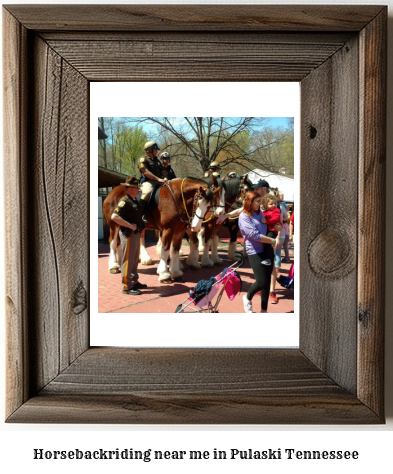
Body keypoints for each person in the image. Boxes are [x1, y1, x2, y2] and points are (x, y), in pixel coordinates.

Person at [238, 191, 277, 313]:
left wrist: (277, 226)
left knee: (267, 283)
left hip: (267, 250)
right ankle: (247, 297)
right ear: (250, 201)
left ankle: (263, 310)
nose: (260, 204)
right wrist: (272, 240)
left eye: (260, 201)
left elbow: (269, 224)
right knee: (261, 281)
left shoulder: (259, 213)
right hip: (255, 251)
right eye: (258, 201)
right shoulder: (244, 217)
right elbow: (254, 235)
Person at [111, 176, 147, 296]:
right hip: (129, 234)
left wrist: (141, 229)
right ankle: (127, 286)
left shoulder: (134, 200)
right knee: (127, 260)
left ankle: (134, 282)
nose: (138, 190)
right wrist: (130, 226)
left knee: (134, 260)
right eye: (136, 188)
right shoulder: (125, 201)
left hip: (135, 234)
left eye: (137, 188)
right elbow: (114, 217)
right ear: (130, 189)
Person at [262, 195, 285, 304]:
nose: (273, 205)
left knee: (274, 262)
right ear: (266, 205)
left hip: (274, 234)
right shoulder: (264, 212)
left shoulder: (276, 211)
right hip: (266, 234)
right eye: (271, 204)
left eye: (274, 203)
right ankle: (263, 285)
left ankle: (272, 290)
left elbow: (276, 220)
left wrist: (265, 220)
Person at [139, 141, 168, 215]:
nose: (157, 151)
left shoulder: (157, 160)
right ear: (149, 150)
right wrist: (158, 179)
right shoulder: (143, 160)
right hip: (148, 181)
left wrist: (165, 177)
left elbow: (163, 170)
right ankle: (141, 214)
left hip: (159, 181)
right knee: (147, 192)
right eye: (155, 149)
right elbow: (146, 172)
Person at [277, 192, 291, 263]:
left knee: (282, 247)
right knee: (285, 246)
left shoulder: (282, 204)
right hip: (285, 231)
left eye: (283, 196)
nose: (282, 197)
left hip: (284, 231)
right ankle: (287, 257)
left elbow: (286, 214)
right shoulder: (283, 204)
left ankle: (287, 257)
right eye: (281, 196)